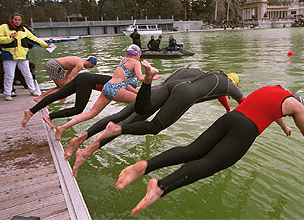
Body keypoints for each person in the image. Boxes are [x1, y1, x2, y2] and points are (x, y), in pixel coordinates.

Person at [115, 85, 304, 216]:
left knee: (192, 150)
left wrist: (284, 126)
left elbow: (274, 111)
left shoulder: (274, 91)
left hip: (231, 117)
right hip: (246, 129)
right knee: (212, 163)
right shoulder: (297, 106)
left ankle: (146, 166)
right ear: (298, 102)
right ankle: (161, 186)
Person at [66, 65, 244, 177]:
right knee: (150, 126)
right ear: (234, 84)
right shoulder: (229, 86)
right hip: (180, 96)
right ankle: (87, 151)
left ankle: (80, 141)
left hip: (161, 89)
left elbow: (221, 97)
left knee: (120, 117)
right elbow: (243, 102)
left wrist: (227, 108)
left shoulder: (202, 74)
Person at [53, 44, 161, 141]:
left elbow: (123, 80)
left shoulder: (123, 60)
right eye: (139, 55)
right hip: (116, 89)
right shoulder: (136, 62)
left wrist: (135, 90)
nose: (139, 57)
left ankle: (62, 127)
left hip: (107, 86)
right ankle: (145, 123)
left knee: (91, 113)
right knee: (141, 102)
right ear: (136, 54)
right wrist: (151, 75)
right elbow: (141, 78)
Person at [0, 12, 50, 101]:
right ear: (11, 19)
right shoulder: (3, 27)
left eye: (19, 20)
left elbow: (34, 39)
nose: (17, 21)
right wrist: (10, 38)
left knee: (27, 73)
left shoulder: (24, 30)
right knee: (9, 75)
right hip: (9, 55)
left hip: (22, 55)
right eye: (15, 19)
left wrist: (45, 45)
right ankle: (8, 93)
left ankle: (32, 90)